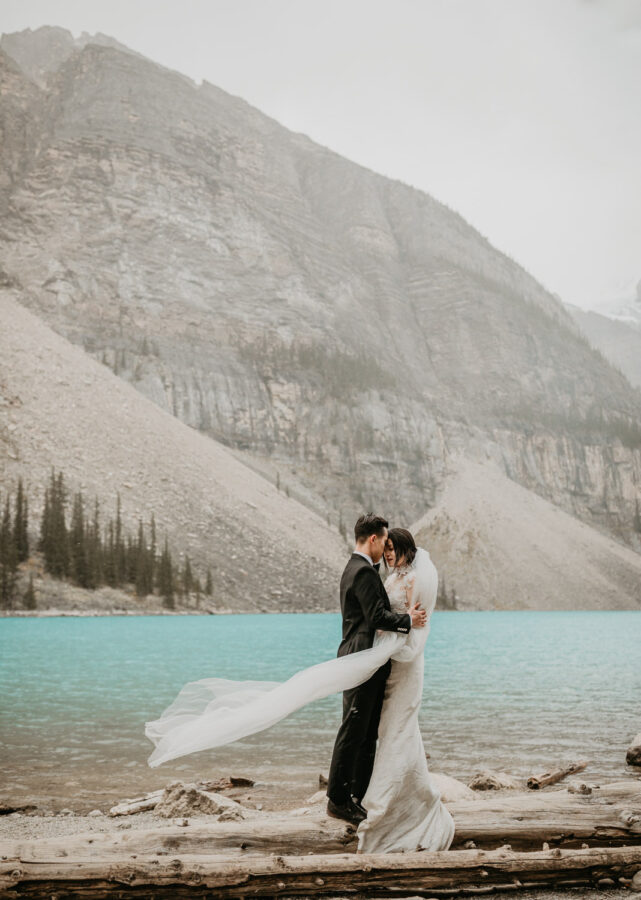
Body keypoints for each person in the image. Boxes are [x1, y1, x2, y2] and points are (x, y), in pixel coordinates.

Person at [355, 527, 455, 853]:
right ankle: (408, 793)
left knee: (399, 727)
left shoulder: (415, 580)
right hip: (389, 662)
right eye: (385, 550)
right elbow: (391, 616)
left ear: (406, 549)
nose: (387, 554)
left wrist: (399, 633)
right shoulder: (393, 577)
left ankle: (389, 802)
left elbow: (416, 627)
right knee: (394, 729)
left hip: (406, 664)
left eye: (393, 549)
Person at [326, 514, 426, 825]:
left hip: (361, 656)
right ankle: (337, 800)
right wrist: (408, 620)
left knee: (366, 731)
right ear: (373, 539)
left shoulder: (353, 568)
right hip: (362, 657)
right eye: (383, 541)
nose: (385, 548)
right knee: (354, 730)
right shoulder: (364, 572)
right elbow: (377, 617)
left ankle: (356, 795)